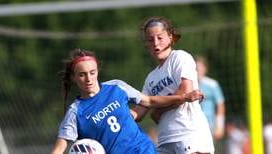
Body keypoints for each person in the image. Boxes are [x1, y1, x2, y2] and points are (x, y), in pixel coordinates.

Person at [51, 48, 205, 154]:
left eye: (92, 72)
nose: (89, 78)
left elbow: (149, 101)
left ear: (97, 71)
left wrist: (184, 97)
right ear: (74, 77)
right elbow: (59, 148)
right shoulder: (76, 112)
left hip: (145, 150)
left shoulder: (116, 87)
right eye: (82, 74)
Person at [132, 16, 214, 154]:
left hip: (189, 134)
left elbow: (184, 93)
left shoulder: (179, 57)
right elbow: (139, 111)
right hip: (165, 141)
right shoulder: (150, 78)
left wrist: (158, 110)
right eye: (150, 39)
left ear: (170, 37)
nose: (155, 43)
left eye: (160, 37)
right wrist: (119, 114)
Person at [195, 55, 225, 142]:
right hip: (192, 125)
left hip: (209, 125)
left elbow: (220, 104)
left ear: (205, 69)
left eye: (200, 68)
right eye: (196, 68)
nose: (198, 71)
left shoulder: (212, 84)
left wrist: (220, 126)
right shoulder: (189, 86)